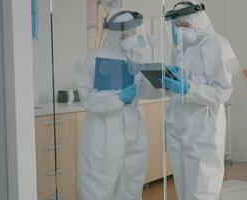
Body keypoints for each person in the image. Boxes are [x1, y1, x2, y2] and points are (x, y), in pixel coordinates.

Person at [77, 8, 159, 200]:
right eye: (126, 33)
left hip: (133, 126)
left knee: (132, 178)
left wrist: (156, 81)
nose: (131, 37)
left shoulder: (136, 58)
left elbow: (145, 92)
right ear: (116, 34)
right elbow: (87, 98)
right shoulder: (95, 58)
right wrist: (118, 98)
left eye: (133, 32)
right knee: (101, 182)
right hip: (105, 129)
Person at [164, 1, 237, 199]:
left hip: (203, 130)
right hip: (179, 128)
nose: (180, 31)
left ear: (199, 22)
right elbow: (177, 89)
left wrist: (189, 88)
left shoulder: (218, 44)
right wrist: (170, 83)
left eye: (184, 26)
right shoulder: (181, 48)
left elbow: (223, 92)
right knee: (183, 188)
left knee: (202, 190)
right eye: (177, 26)